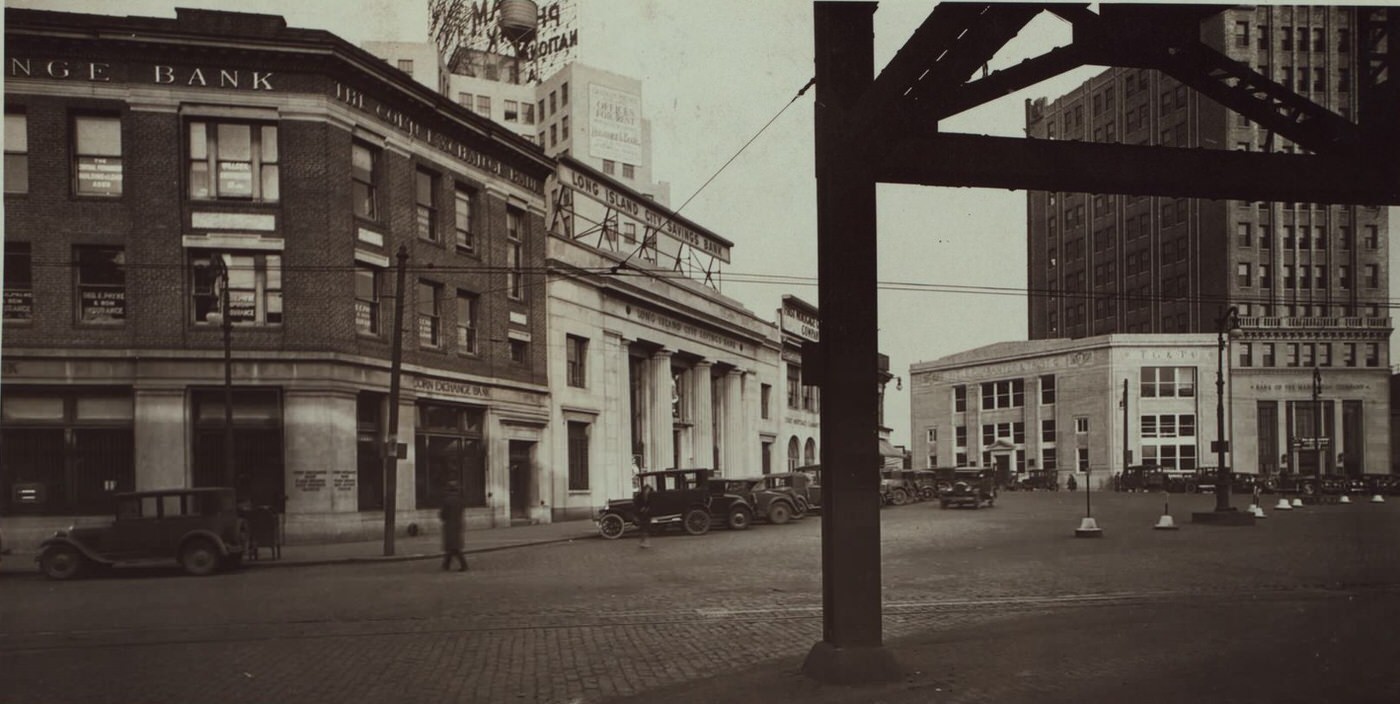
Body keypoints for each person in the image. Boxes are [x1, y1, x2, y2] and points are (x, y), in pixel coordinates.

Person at [440, 480, 467, 571]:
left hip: (449, 525)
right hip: (458, 524)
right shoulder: (460, 500)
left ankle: (463, 565)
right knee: (454, 546)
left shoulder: (446, 500)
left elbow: (443, 515)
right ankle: (446, 565)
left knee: (453, 547)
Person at [634, 478, 655, 549]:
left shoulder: (650, 496)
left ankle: (644, 542)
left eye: (648, 490)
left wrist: (647, 508)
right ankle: (643, 542)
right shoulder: (639, 496)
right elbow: (636, 504)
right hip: (641, 514)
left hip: (647, 514)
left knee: (646, 528)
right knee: (643, 528)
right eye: (646, 490)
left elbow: (651, 504)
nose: (647, 492)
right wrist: (641, 509)